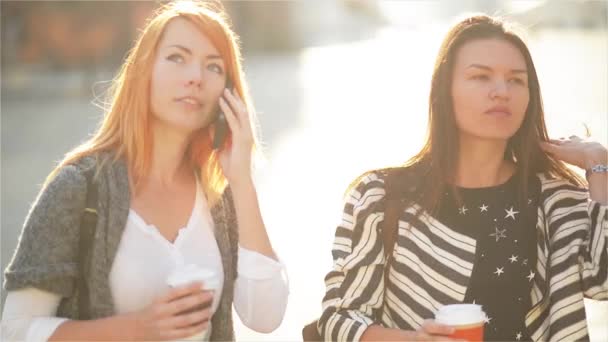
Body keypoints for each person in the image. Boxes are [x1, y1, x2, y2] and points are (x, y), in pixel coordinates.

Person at [1, 1, 288, 341]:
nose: (195, 76)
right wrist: (141, 328)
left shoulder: (220, 195)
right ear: (144, 72)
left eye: (213, 67)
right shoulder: (78, 187)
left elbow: (265, 316)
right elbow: (15, 331)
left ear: (227, 94)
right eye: (177, 58)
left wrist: (241, 181)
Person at [318, 14, 607, 342]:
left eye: (516, 80)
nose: (501, 91)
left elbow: (603, 281)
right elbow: (339, 320)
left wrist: (599, 165)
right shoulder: (379, 197)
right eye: (481, 77)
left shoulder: (556, 198)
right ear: (444, 91)